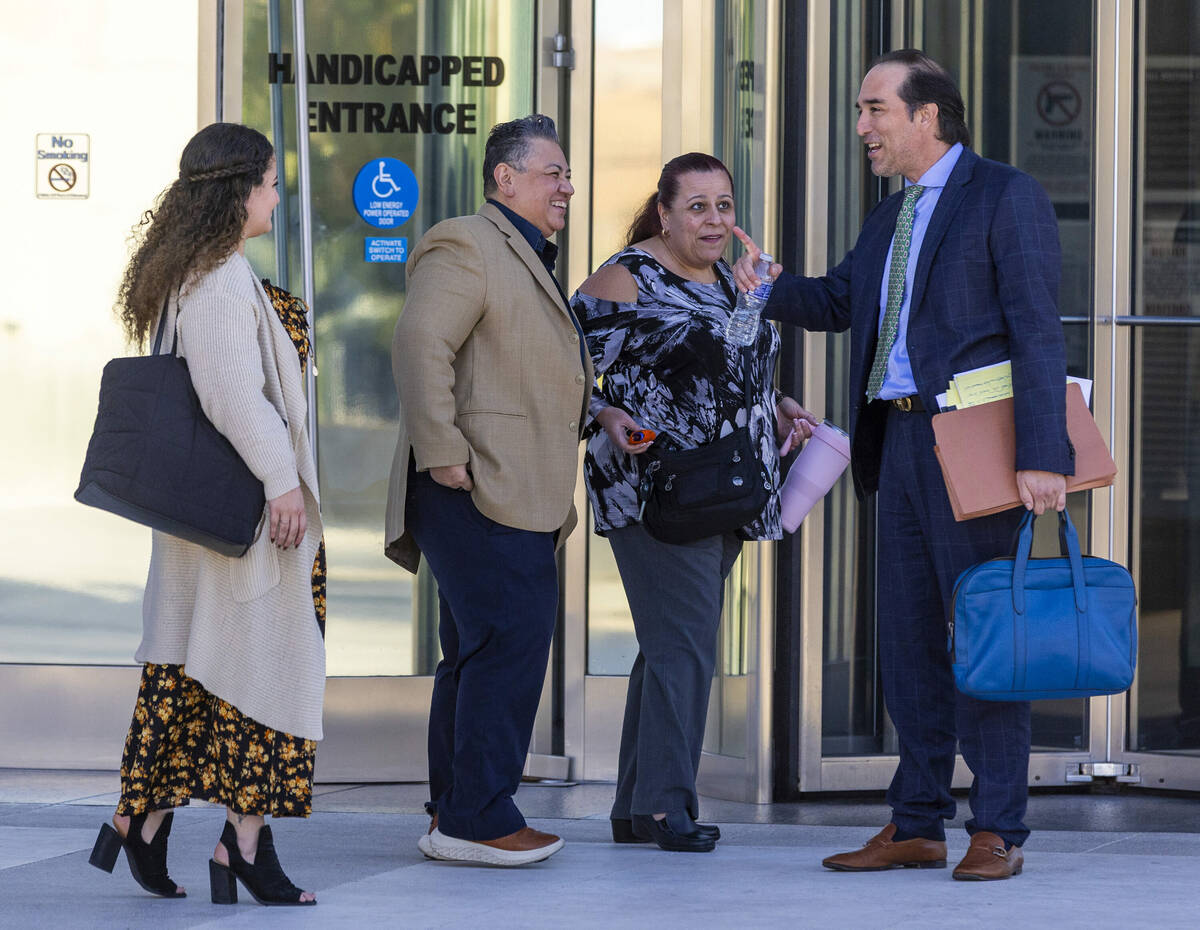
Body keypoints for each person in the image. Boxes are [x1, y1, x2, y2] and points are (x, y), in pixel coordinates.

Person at [734, 50, 1072, 880]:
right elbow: (842, 303)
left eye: (874, 110)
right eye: (861, 110)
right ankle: (917, 822)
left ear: (928, 115)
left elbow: (1037, 327)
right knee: (912, 641)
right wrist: (768, 284)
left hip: (981, 449)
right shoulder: (890, 217)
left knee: (988, 638)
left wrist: (1042, 454)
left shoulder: (1005, 195)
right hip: (900, 442)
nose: (862, 128)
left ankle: (997, 828)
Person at [88, 122, 323, 906]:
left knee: (203, 675)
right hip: (248, 520)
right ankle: (241, 845)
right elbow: (230, 395)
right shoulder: (219, 278)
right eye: (269, 181)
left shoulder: (199, 270)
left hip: (212, 522)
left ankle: (152, 820)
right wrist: (284, 481)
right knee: (261, 676)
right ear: (238, 190)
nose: (277, 194)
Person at [573, 152, 815, 853]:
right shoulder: (628, 276)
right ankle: (665, 809)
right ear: (665, 212)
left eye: (725, 206)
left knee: (667, 649)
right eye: (698, 206)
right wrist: (603, 413)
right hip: (658, 486)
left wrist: (777, 403)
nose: (714, 220)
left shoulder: (728, 280)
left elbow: (733, 365)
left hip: (729, 485)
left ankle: (633, 805)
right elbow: (557, 366)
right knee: (683, 648)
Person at [384, 114, 591, 867]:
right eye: (552, 173)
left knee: (478, 653)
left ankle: (455, 810)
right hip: (475, 485)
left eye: (566, 174)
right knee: (508, 646)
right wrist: (441, 451)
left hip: (505, 486)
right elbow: (419, 341)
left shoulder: (525, 256)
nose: (566, 185)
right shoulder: (466, 241)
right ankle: (478, 816)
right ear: (506, 179)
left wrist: (599, 411)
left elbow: (527, 366)